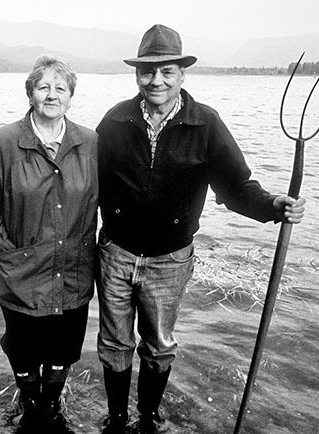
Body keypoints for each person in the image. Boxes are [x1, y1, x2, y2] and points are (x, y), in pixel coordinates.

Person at [95, 25, 306, 434]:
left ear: (182, 75)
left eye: (167, 71)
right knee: (115, 344)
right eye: (148, 72)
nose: (156, 81)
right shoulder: (115, 121)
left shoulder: (205, 124)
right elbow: (89, 185)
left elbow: (236, 188)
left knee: (158, 346)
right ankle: (117, 419)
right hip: (116, 253)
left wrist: (273, 206)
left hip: (170, 259)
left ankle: (149, 418)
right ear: (136, 74)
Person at [0, 55, 98, 433]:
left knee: (64, 348)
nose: (52, 95)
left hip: (74, 270)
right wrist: (7, 250)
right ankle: (29, 402)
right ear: (30, 93)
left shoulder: (89, 142)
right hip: (21, 273)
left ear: (72, 96)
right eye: (44, 87)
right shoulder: (3, 142)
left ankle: (53, 404)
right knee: (23, 348)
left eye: (61, 88)